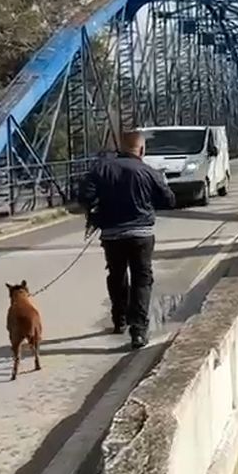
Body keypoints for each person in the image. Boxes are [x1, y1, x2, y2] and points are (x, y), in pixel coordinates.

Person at [79, 131, 175, 349]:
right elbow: (169, 200)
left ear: (121, 148)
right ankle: (138, 331)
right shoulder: (149, 171)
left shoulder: (101, 168)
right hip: (141, 234)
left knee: (117, 275)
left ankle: (119, 319)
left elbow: (84, 196)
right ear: (141, 150)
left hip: (112, 235)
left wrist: (98, 210)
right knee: (142, 279)